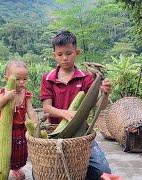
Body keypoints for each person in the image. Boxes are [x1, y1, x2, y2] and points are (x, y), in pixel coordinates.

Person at [40, 30, 112, 179]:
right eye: (60, 54)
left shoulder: (86, 78)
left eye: (69, 53)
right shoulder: (47, 78)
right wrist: (65, 114)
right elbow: (47, 108)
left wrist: (105, 93)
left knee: (104, 171)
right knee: (41, 174)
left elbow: (99, 106)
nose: (64, 58)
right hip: (56, 135)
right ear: (54, 55)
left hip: (81, 135)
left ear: (76, 52)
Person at [0, 60, 38, 179]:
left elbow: (30, 110)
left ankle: (16, 168)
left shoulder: (26, 95)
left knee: (17, 152)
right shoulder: (3, 92)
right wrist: (6, 97)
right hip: (4, 130)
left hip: (19, 129)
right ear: (7, 78)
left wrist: (34, 122)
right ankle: (2, 169)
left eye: (25, 79)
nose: (21, 82)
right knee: (4, 151)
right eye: (17, 79)